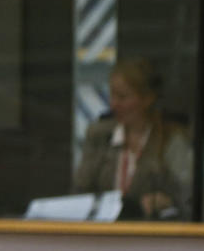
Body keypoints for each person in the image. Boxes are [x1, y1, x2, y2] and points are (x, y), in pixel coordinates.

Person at [73, 58, 192, 220]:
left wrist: (166, 202)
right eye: (112, 95)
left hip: (151, 235)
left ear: (147, 99)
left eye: (122, 97)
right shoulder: (99, 135)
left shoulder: (170, 139)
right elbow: (80, 192)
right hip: (103, 233)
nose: (114, 104)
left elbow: (188, 199)